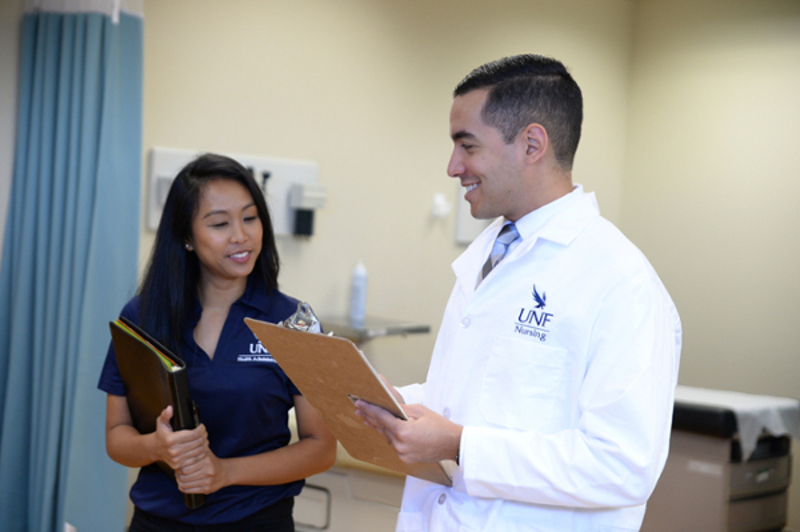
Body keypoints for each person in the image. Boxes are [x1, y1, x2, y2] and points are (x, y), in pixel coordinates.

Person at [355, 54, 682, 531]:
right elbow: (485, 395)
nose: (452, 167)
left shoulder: (620, 281)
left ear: (532, 143)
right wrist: (394, 401)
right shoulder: (493, 252)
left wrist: (459, 445)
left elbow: (623, 467)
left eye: (467, 146)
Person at [98, 153, 336, 531]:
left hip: (258, 521)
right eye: (220, 223)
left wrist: (224, 472)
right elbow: (116, 436)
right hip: (158, 521)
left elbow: (321, 447)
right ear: (187, 237)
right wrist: (156, 448)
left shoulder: (294, 323)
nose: (241, 235)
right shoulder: (143, 317)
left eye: (250, 217)